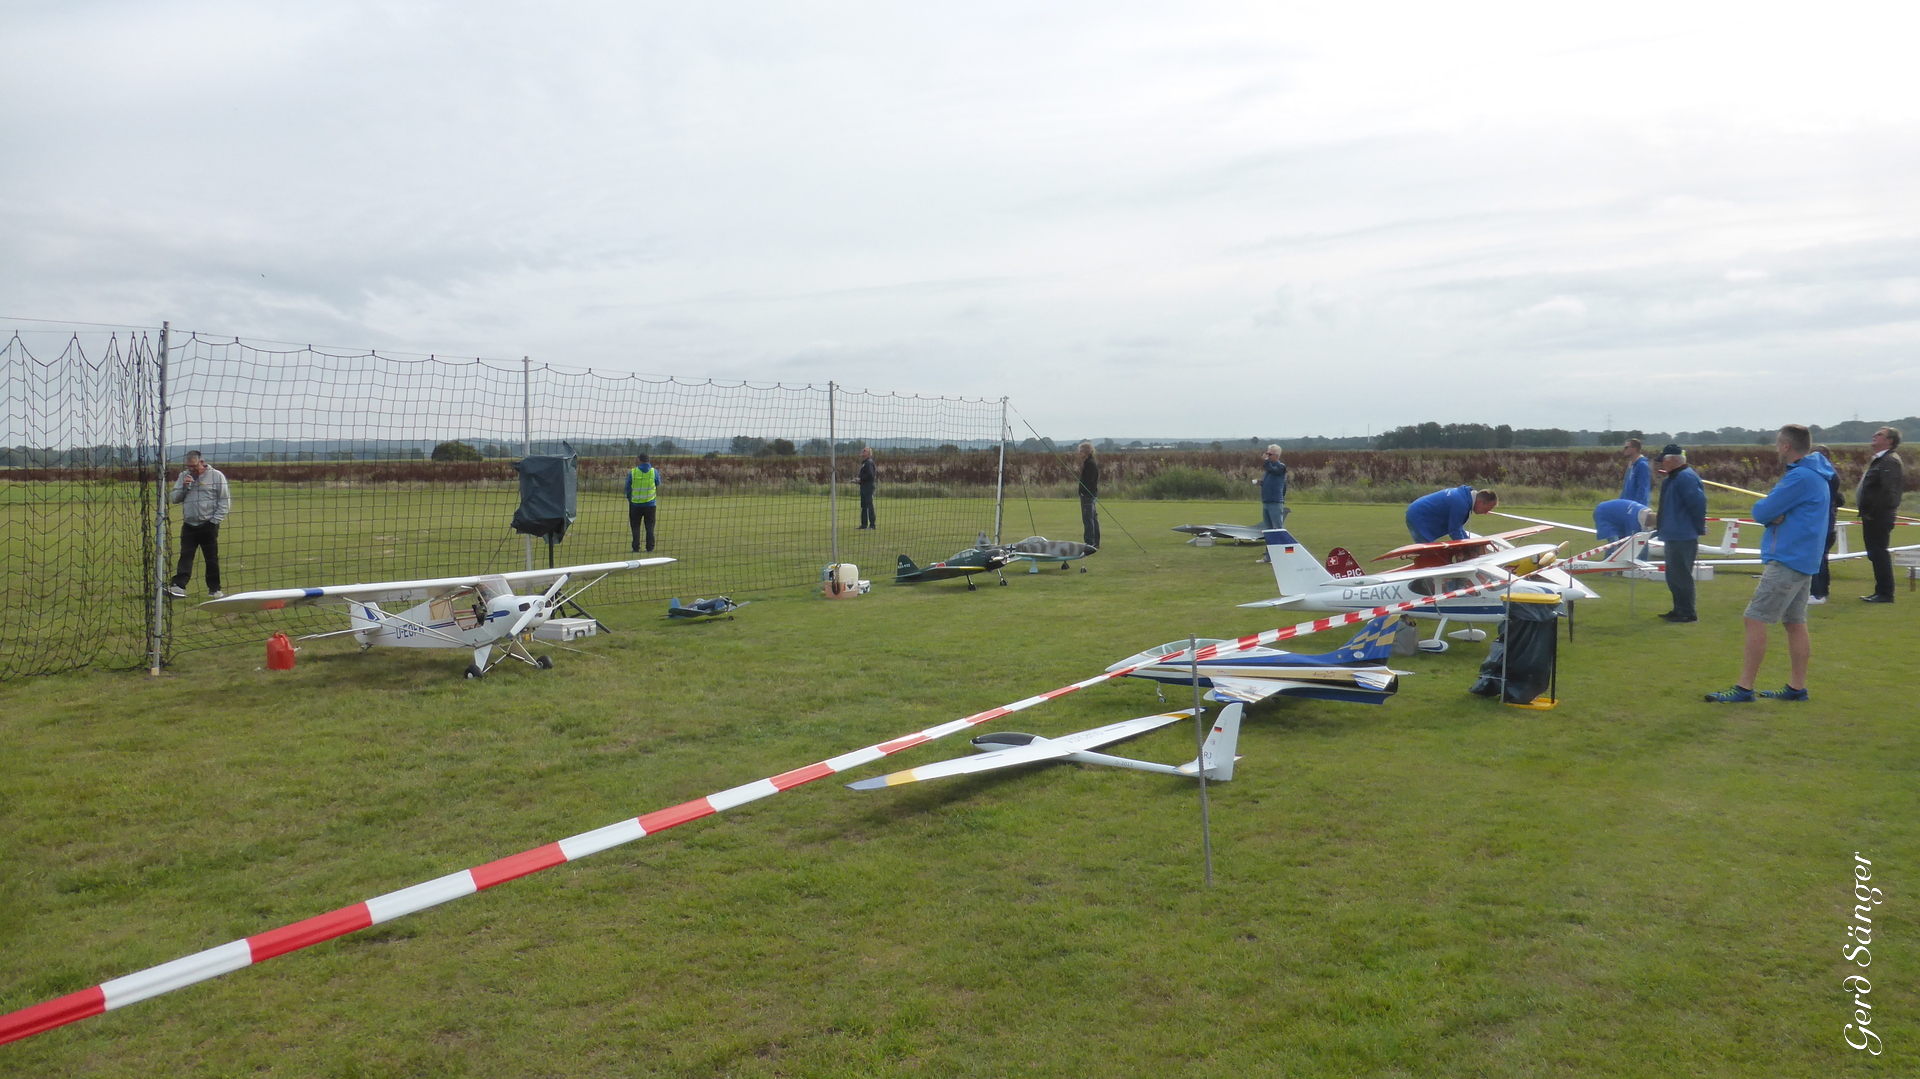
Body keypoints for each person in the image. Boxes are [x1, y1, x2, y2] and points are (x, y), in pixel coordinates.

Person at [1705, 424, 1834, 702]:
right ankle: (1797, 688)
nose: (1777, 448)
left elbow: (1762, 510)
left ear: (1787, 446)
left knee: (1754, 618)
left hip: (1788, 558)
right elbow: (1772, 512)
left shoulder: (1799, 477)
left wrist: (1773, 514)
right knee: (1795, 622)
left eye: (1778, 443)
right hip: (1805, 558)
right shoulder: (1817, 475)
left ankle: (1744, 688)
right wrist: (1775, 514)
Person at [165, 450, 231, 598]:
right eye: (189, 466)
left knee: (211, 558)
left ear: (202, 462)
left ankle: (215, 589)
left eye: (194, 466)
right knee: (186, 556)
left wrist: (214, 521)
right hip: (189, 525)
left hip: (208, 524)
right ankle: (178, 587)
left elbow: (224, 501)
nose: (191, 469)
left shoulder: (216, 476)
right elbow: (174, 498)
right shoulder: (184, 476)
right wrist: (184, 486)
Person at [1652, 444, 1706, 623]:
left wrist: (1698, 528)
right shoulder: (1673, 478)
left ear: (1673, 460)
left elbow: (1697, 504)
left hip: (1683, 534)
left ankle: (1687, 612)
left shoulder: (1685, 478)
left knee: (1681, 575)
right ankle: (1678, 609)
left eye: (1664, 461)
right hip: (1672, 533)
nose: (1662, 465)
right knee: (1673, 575)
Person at [1857, 426, 1905, 604]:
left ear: (1889, 441)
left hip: (1878, 516)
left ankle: (1885, 593)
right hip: (1873, 515)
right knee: (1875, 553)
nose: (1874, 436)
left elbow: (1889, 492)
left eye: (1880, 435)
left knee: (1879, 553)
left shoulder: (1889, 461)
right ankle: (1881, 591)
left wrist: (1874, 512)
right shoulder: (1880, 460)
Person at [1809, 444, 1843, 604]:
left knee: (1817, 558)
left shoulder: (1821, 477)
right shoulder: (1832, 476)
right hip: (1829, 523)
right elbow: (1840, 499)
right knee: (1822, 557)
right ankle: (1823, 590)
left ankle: (1817, 593)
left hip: (1821, 523)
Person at [1404, 485, 1496, 543]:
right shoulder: (1461, 503)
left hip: (1416, 512)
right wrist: (1468, 547)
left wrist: (1468, 542)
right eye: (1488, 508)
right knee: (1429, 554)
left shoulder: (1464, 497)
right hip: (1418, 516)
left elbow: (1458, 528)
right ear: (1481, 502)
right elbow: (1454, 531)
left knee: (1431, 553)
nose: (1486, 512)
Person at [625, 453, 660, 553]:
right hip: (650, 505)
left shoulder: (633, 472)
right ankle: (650, 547)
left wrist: (630, 498)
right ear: (648, 460)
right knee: (650, 527)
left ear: (639, 460)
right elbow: (658, 483)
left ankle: (635, 547)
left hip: (635, 504)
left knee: (635, 527)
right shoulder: (654, 472)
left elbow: (627, 487)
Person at [1256, 444, 1289, 531]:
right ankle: (1271, 545)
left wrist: (1266, 461)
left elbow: (1274, 470)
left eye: (1269, 454)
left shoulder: (1281, 466)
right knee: (1268, 528)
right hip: (1266, 501)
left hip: (1275, 502)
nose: (1267, 456)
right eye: (1267, 454)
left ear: (1277, 455)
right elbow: (1271, 479)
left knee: (1278, 527)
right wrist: (1261, 483)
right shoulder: (1269, 468)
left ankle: (1282, 544)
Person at [1076, 441, 1100, 549]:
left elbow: (1090, 480)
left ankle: (1090, 543)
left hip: (1088, 495)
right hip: (1090, 494)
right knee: (1092, 518)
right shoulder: (1089, 462)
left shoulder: (1090, 463)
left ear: (1086, 452)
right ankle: (1095, 542)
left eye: (1080, 451)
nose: (1079, 453)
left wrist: (1084, 490)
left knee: (1088, 519)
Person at [1619, 438, 1652, 505]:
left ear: (1634, 448)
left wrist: (1636, 507)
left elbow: (1643, 489)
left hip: (1636, 507)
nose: (1624, 450)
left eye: (1626, 447)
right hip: (1626, 505)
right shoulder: (1631, 465)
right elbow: (1625, 487)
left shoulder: (1642, 465)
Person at [856, 446, 877, 529]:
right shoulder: (864, 463)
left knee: (869, 506)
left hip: (868, 488)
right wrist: (858, 480)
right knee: (863, 506)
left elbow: (870, 475)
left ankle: (872, 525)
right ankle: (864, 525)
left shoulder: (869, 463)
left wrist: (861, 479)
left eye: (864, 451)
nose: (862, 451)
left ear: (868, 453)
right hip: (863, 487)